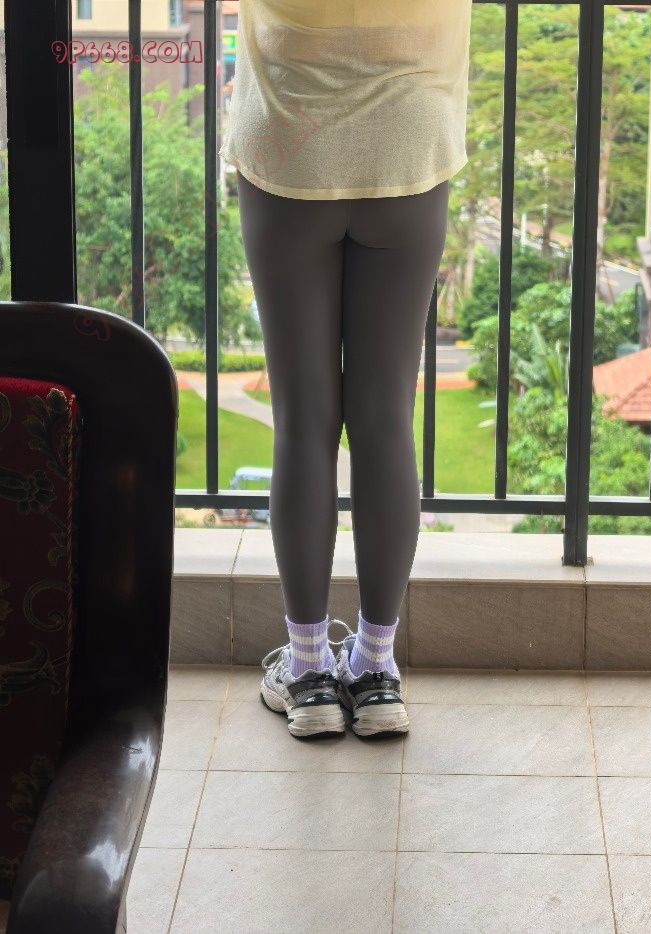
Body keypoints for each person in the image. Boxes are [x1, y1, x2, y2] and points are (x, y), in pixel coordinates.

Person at [219, 0, 473, 739]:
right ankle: (376, 670)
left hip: (289, 146)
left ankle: (308, 675)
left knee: (303, 421)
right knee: (385, 418)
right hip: (407, 145)